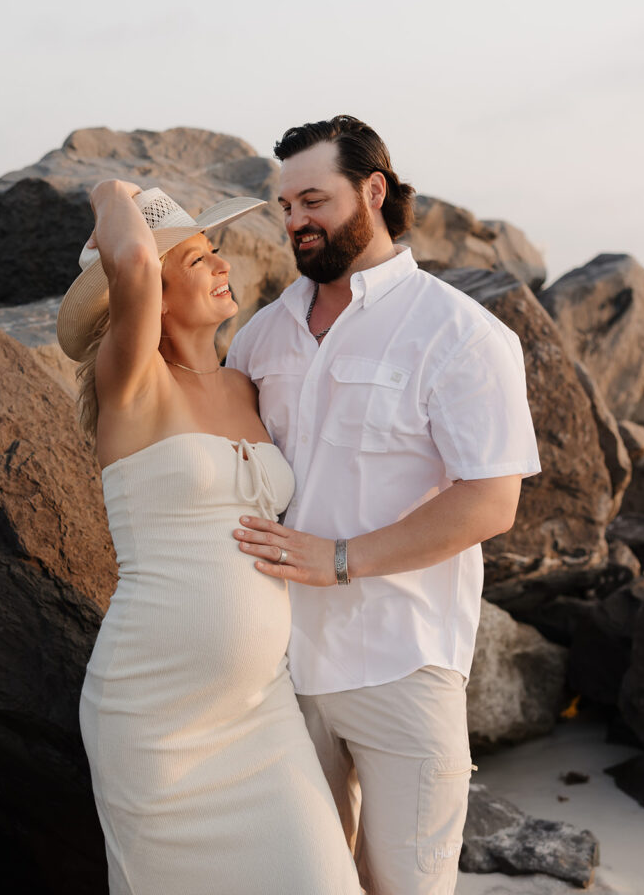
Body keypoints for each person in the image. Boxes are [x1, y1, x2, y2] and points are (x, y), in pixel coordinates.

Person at [226, 115, 541, 895]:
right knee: (302, 883)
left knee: (407, 886)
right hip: (277, 666)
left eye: (312, 199)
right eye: (284, 205)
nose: (295, 220)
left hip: (402, 661)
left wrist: (340, 561)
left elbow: (491, 500)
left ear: (372, 190)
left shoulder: (460, 334)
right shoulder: (260, 339)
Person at [56, 181, 360, 895]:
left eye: (214, 251)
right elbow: (129, 260)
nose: (223, 265)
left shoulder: (244, 387)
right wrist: (109, 193)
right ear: (151, 295)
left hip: (260, 708)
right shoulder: (131, 384)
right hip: (155, 715)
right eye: (196, 260)